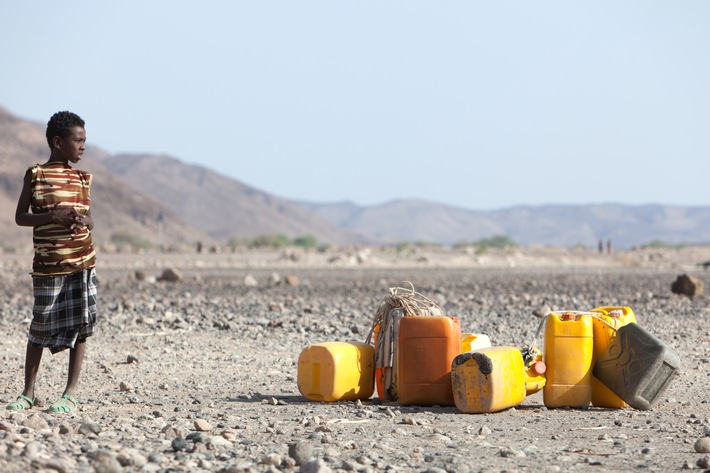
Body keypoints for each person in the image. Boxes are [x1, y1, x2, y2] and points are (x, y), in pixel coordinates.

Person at [6, 111, 97, 413]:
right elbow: (20, 217)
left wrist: (84, 220)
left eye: (84, 140)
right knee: (40, 326)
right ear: (58, 142)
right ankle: (28, 392)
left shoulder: (83, 178)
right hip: (48, 265)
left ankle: (69, 393)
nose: (83, 146)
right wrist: (52, 216)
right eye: (78, 140)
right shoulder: (37, 174)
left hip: (82, 262)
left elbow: (90, 220)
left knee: (80, 326)